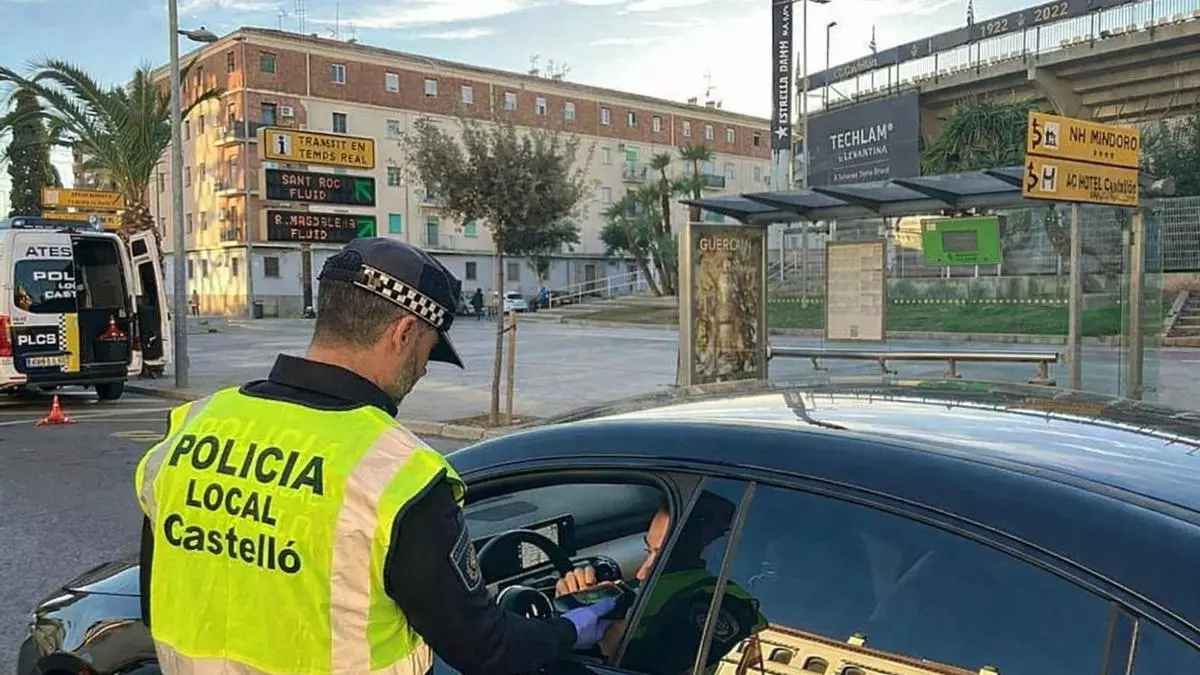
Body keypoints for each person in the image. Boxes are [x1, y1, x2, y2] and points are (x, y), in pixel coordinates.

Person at [132, 237, 616, 675]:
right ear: (403, 333)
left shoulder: (191, 428)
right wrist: (571, 627)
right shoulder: (396, 476)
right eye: (428, 349)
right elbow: (485, 649)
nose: (423, 370)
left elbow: (159, 597)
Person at [555, 494, 765, 675]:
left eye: (666, 556)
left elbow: (649, 667)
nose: (642, 572)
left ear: (715, 549)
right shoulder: (658, 582)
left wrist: (602, 627)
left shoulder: (730, 604)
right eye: (648, 551)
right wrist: (573, 603)